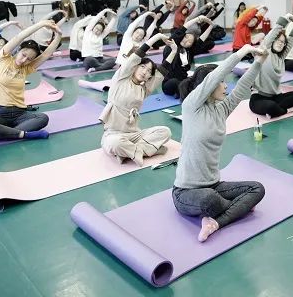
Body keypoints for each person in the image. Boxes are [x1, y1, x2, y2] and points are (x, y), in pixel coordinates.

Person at [173, 44, 268, 242]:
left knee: (257, 188)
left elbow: (242, 87)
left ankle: (215, 223)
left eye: (225, 82)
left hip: (214, 185)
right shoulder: (191, 106)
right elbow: (214, 76)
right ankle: (236, 207)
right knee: (209, 200)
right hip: (186, 192)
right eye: (222, 82)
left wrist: (259, 61)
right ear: (207, 87)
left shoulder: (221, 109)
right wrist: (242, 52)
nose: (225, 86)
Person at [0, 20, 62, 141]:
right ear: (18, 50)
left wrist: (58, 35)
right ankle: (24, 134)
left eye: (29, 59)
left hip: (20, 113)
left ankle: (5, 133)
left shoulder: (26, 69)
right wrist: (41, 24)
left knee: (43, 118)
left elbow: (46, 55)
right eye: (23, 55)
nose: (24, 60)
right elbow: (20, 37)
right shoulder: (3, 58)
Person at [99, 33, 175, 165]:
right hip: (114, 134)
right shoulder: (121, 78)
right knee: (114, 144)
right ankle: (143, 151)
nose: (145, 71)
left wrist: (174, 50)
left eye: (149, 71)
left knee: (165, 132)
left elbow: (163, 70)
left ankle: (129, 153)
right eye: (142, 67)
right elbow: (138, 54)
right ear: (135, 67)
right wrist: (157, 37)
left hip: (134, 134)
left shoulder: (144, 90)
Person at [249, 14, 293, 117]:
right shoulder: (264, 52)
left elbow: (291, 41)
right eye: (278, 40)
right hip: (259, 98)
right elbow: (272, 34)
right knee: (270, 106)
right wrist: (286, 18)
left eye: (282, 42)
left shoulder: (281, 57)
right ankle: (285, 110)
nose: (280, 43)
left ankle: (276, 110)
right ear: (272, 42)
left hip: (276, 96)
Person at [161, 15, 216, 98]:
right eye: (186, 37)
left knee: (197, 77)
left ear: (191, 45)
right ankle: (186, 94)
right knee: (176, 82)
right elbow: (182, 29)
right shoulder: (171, 47)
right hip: (169, 83)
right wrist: (197, 19)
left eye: (190, 42)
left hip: (183, 80)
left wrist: (211, 26)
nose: (186, 40)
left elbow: (201, 39)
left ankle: (190, 92)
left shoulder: (190, 51)